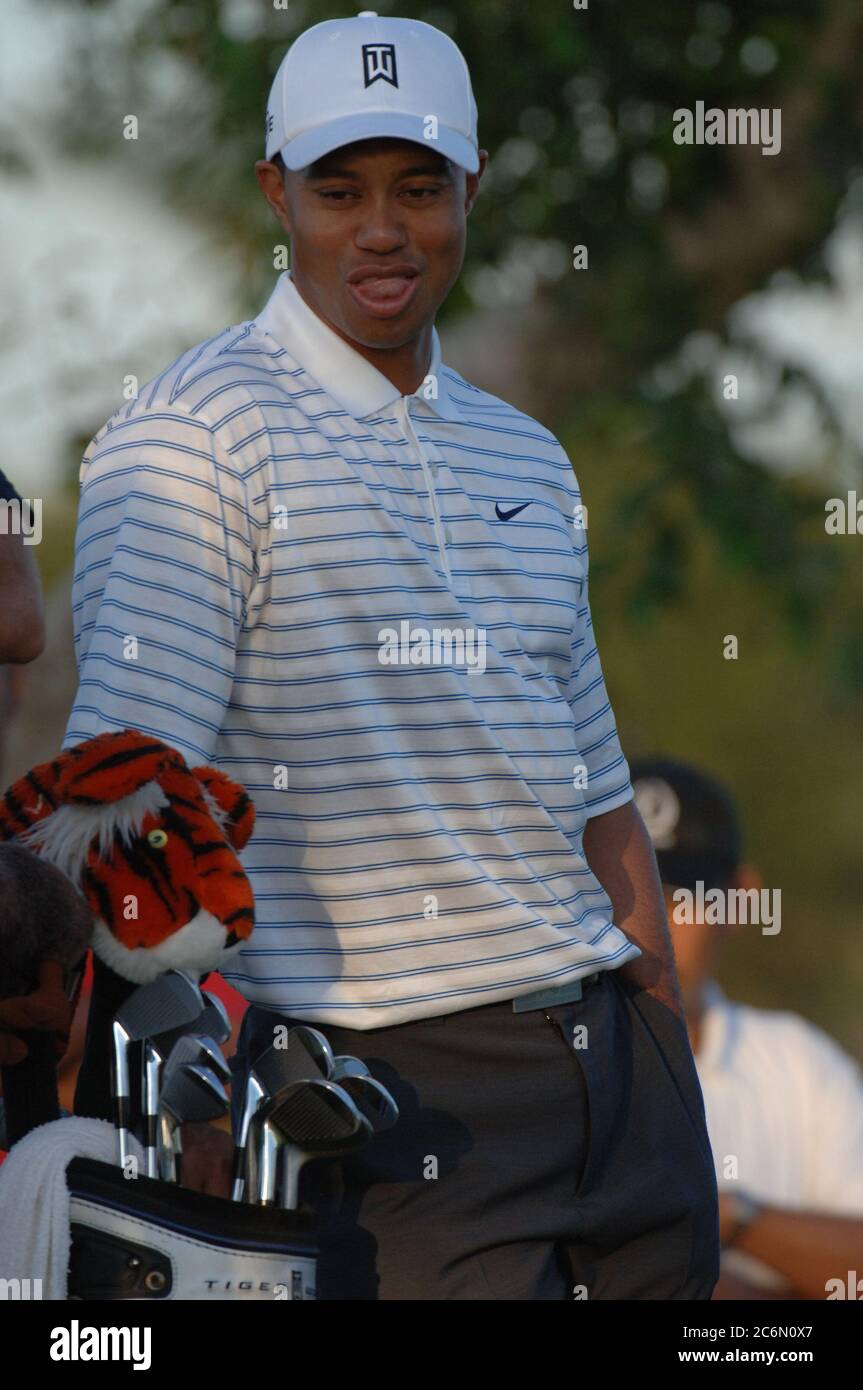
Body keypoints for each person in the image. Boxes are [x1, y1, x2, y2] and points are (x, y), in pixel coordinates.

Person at [62, 13, 718, 1299]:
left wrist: (657, 1027)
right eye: (338, 188)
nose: (381, 228)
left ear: (469, 191)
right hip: (379, 1098)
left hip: (613, 1077)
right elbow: (122, 799)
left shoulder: (525, 452)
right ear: (274, 193)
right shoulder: (189, 439)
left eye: (419, 188)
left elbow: (593, 787)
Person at [632, 757, 863, 1301]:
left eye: (678, 898)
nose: (649, 926)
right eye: (622, 895)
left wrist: (722, 1215)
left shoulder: (799, 1064)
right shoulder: (543, 1056)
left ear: (741, 898)